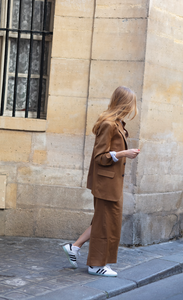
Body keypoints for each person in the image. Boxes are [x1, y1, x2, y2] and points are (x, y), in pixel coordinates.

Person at [63, 86, 140, 277]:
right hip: (106, 184)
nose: (132, 108)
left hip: (112, 184)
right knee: (106, 224)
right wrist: (124, 153)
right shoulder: (108, 124)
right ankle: (96, 265)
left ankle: (74, 247)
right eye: (131, 104)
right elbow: (100, 157)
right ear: (124, 103)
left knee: (103, 221)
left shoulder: (117, 123)